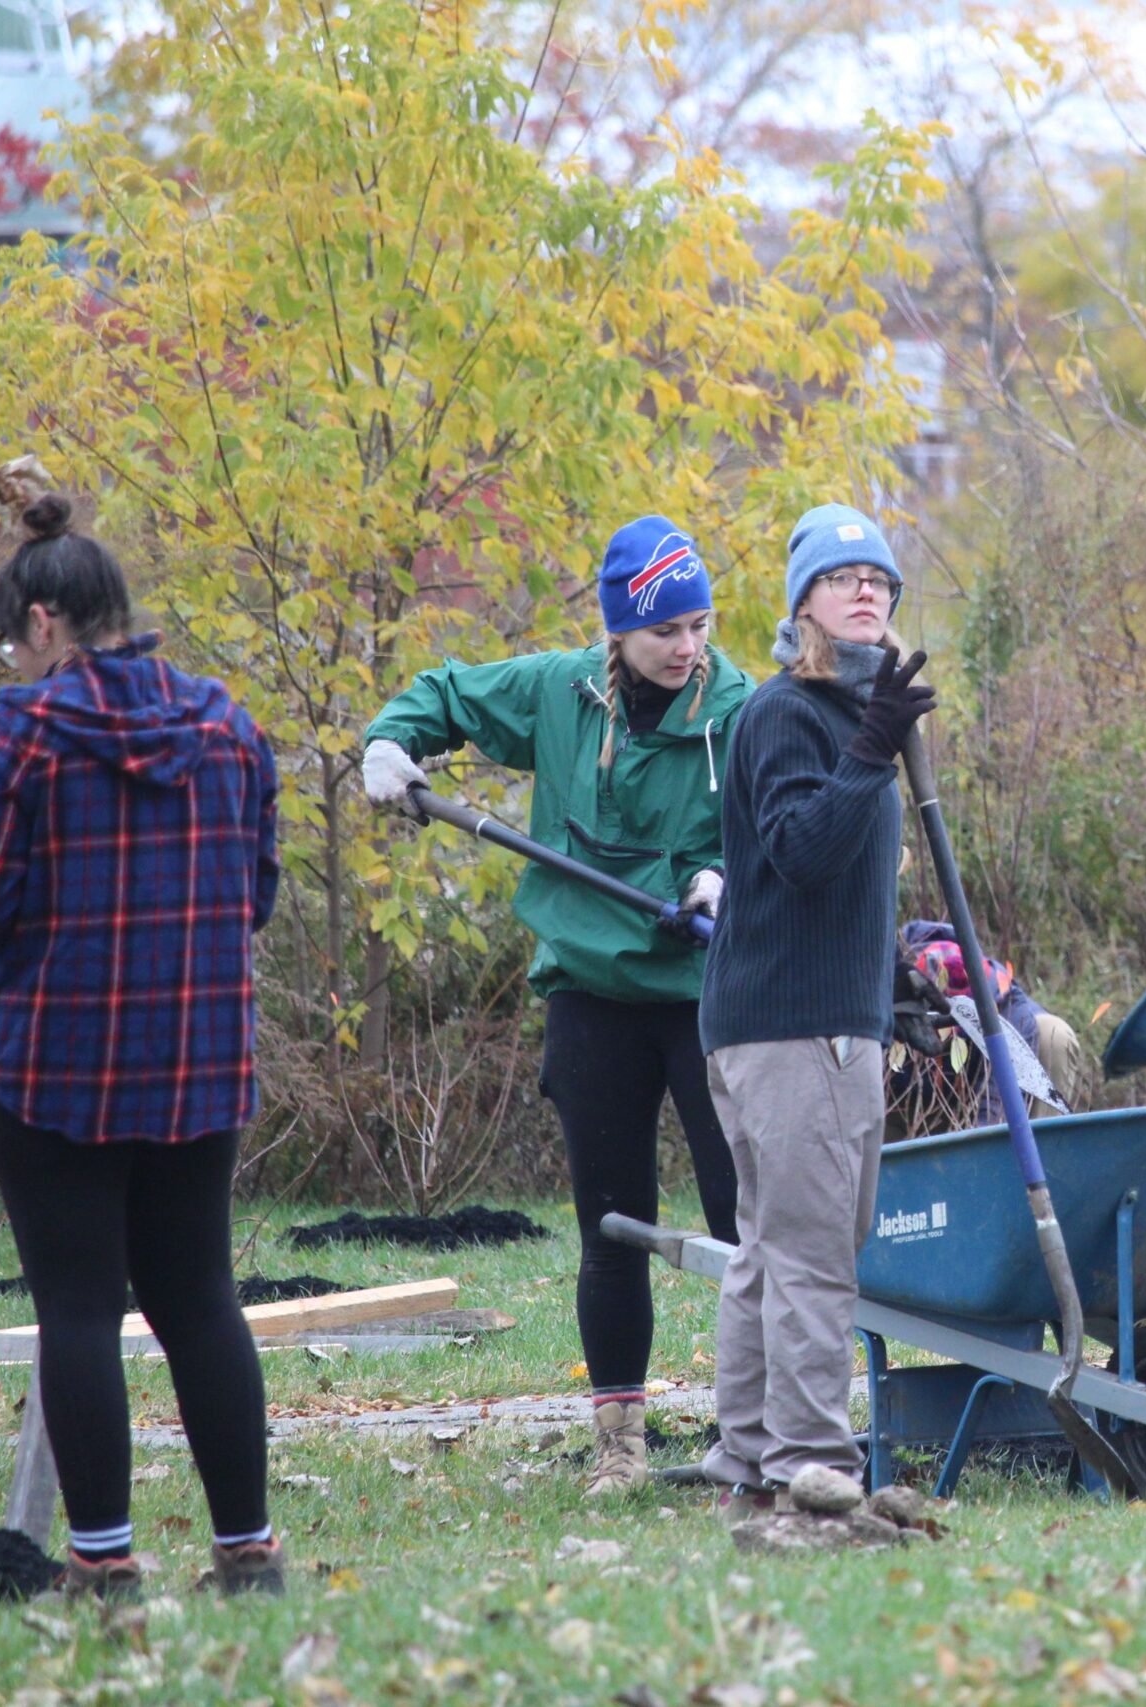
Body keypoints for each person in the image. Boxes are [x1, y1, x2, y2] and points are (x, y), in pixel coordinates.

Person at [0, 495, 284, 1598]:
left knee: (79, 1308)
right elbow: (257, 896)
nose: (15, 663)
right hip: (200, 1062)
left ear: (43, 622)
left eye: (13, 644)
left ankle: (105, 1564)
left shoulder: (17, 736)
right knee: (200, 1297)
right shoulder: (228, 726)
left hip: (53, 1069)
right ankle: (248, 1555)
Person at [360, 515, 749, 1498]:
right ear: (618, 629)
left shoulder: (742, 710)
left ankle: (759, 1433)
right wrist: (392, 742)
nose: (687, 647)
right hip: (590, 995)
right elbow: (445, 693)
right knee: (610, 1226)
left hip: (705, 995)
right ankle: (620, 1445)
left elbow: (776, 821)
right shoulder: (561, 694)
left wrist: (724, 876)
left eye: (698, 626)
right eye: (665, 630)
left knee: (744, 1220)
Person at [696, 502, 934, 1527]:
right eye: (842, 579)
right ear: (802, 606)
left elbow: (839, 881)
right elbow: (800, 850)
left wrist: (895, 978)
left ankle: (752, 1460)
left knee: (770, 1251)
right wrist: (873, 749)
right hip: (795, 1031)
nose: (865, 589)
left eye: (878, 578)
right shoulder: (788, 713)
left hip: (810, 1018)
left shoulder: (847, 717)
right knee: (813, 1256)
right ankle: (810, 1469)